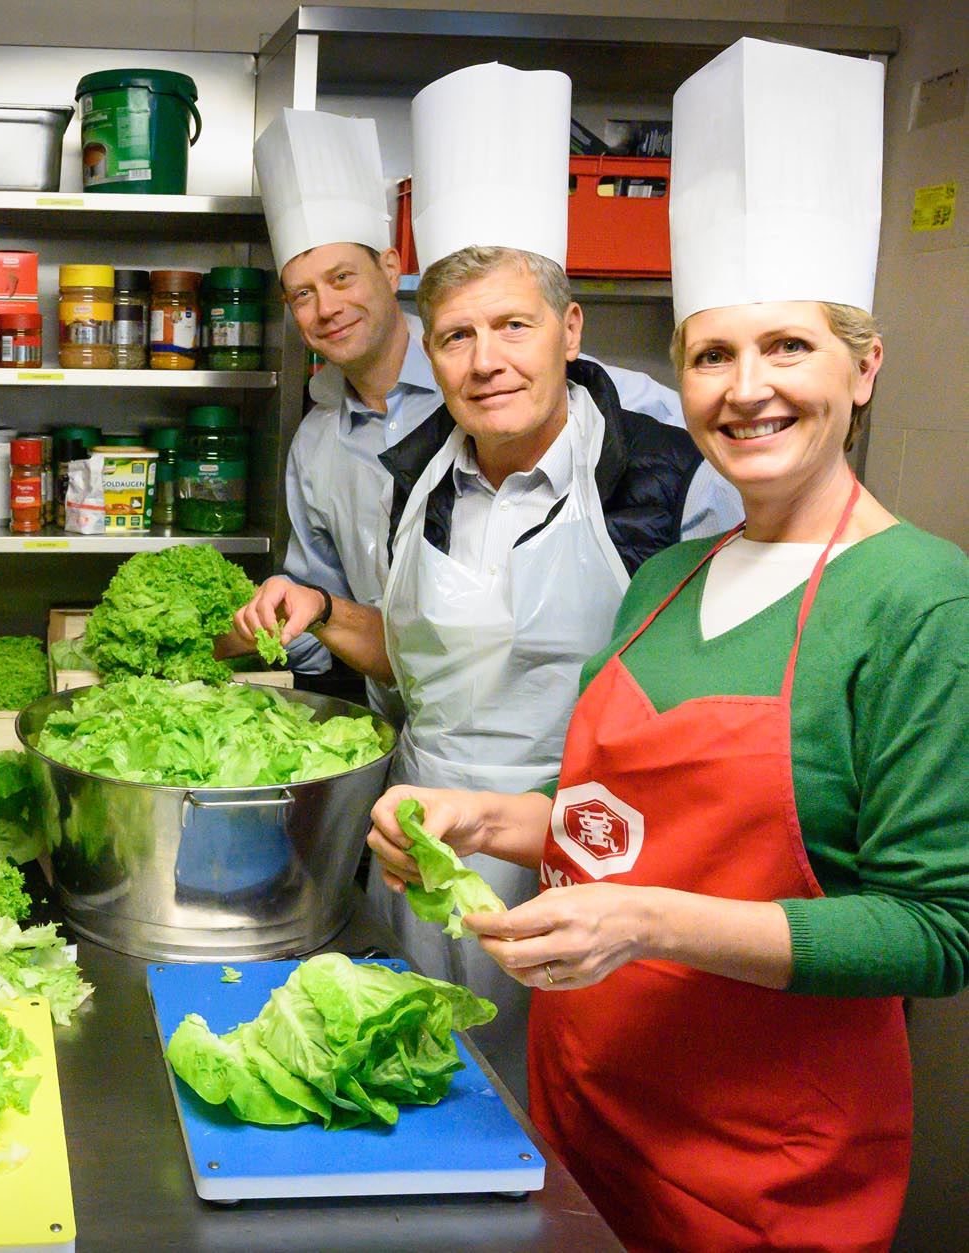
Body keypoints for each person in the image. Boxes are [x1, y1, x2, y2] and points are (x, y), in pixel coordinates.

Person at [368, 39, 969, 1251]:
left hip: (759, 1156)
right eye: (711, 353)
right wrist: (490, 821)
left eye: (786, 347)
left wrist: (642, 922)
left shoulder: (918, 599)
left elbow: (931, 929)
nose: (745, 389)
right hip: (589, 1106)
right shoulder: (670, 576)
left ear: (864, 367)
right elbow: (613, 822)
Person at [234, 80, 737, 1098]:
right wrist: (322, 614)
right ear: (431, 344)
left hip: (592, 850)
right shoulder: (410, 469)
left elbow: (716, 710)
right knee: (434, 1084)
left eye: (512, 325)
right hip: (423, 836)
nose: (484, 359)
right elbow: (411, 656)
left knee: (578, 1106)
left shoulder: (667, 468)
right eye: (457, 334)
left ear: (569, 328)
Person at [248, 108, 735, 721]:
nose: (486, 363)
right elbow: (353, 628)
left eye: (513, 325)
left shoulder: (609, 405)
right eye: (302, 293)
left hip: (577, 760)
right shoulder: (321, 446)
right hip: (408, 736)